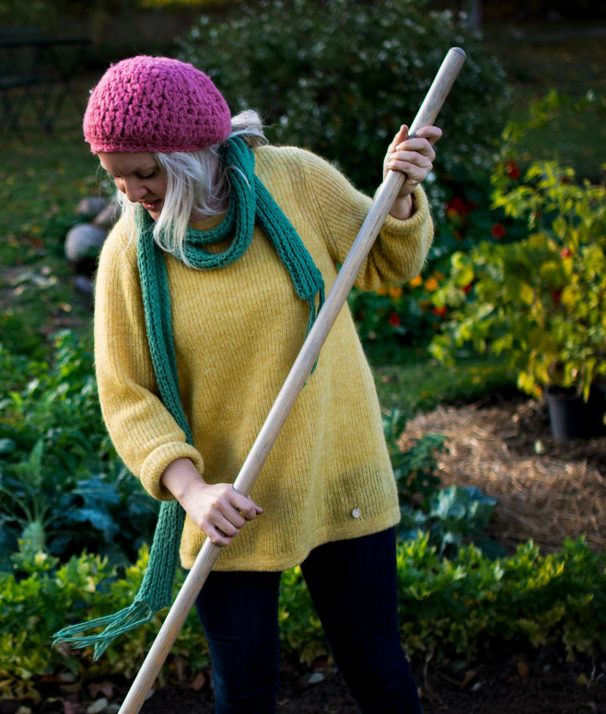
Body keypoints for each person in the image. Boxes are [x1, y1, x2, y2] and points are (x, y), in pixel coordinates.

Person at [58, 56, 440, 713]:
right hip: (226, 504)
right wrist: (192, 490)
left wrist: (399, 193)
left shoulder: (292, 180)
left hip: (336, 468)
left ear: (191, 155)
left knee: (378, 671)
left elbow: (387, 260)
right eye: (116, 178)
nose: (131, 194)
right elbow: (127, 395)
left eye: (145, 173)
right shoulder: (131, 251)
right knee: (246, 694)